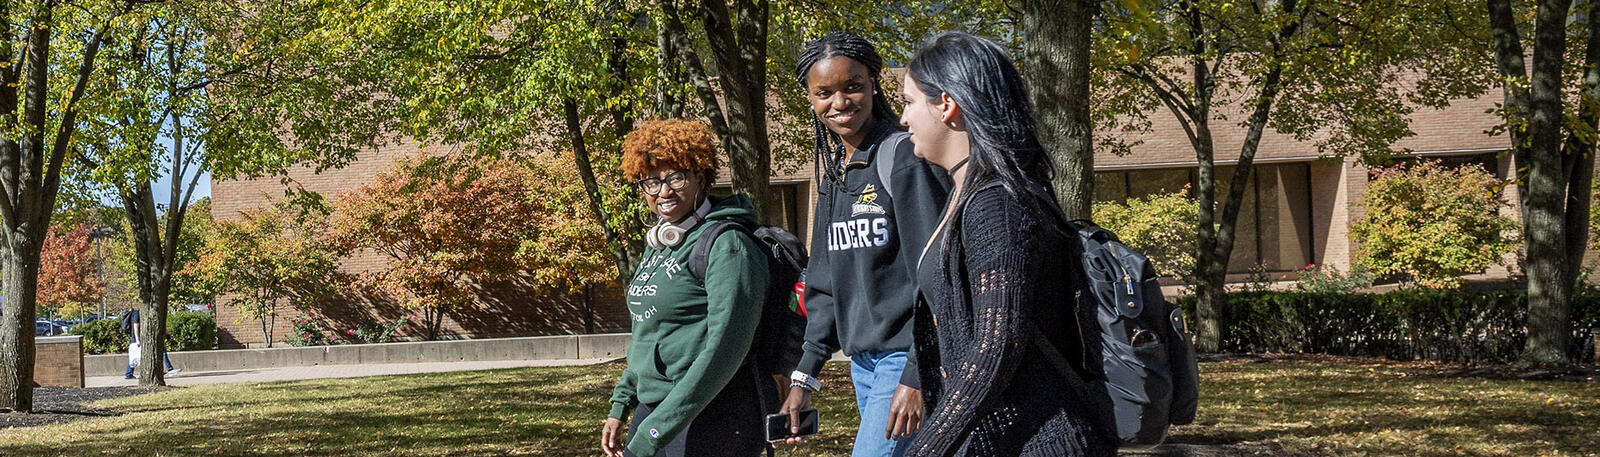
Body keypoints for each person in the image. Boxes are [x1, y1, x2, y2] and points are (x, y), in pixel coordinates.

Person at [897, 32, 1116, 456]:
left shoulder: (997, 203)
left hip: (1042, 442)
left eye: (909, 102)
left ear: (946, 105)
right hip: (1002, 441)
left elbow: (997, 344)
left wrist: (928, 447)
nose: (903, 119)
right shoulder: (967, 195)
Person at [780, 31, 949, 457]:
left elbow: (937, 273)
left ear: (873, 83)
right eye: (824, 93)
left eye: (852, 86)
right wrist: (805, 375)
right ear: (810, 98)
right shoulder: (836, 176)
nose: (840, 102)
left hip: (906, 358)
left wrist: (917, 374)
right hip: (863, 365)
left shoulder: (903, 157)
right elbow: (823, 285)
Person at [601, 119, 773, 457]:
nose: (663, 192)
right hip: (658, 407)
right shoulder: (660, 245)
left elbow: (725, 348)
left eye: (676, 178)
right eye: (652, 181)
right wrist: (620, 405)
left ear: (701, 177)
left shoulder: (728, 245)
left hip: (713, 412)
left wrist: (658, 429)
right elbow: (647, 334)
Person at [124, 309, 179, 379]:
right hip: (139, 337)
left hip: (139, 337)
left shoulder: (141, 312)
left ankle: (129, 374)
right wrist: (137, 339)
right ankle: (169, 369)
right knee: (137, 356)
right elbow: (135, 326)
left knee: (136, 356)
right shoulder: (138, 313)